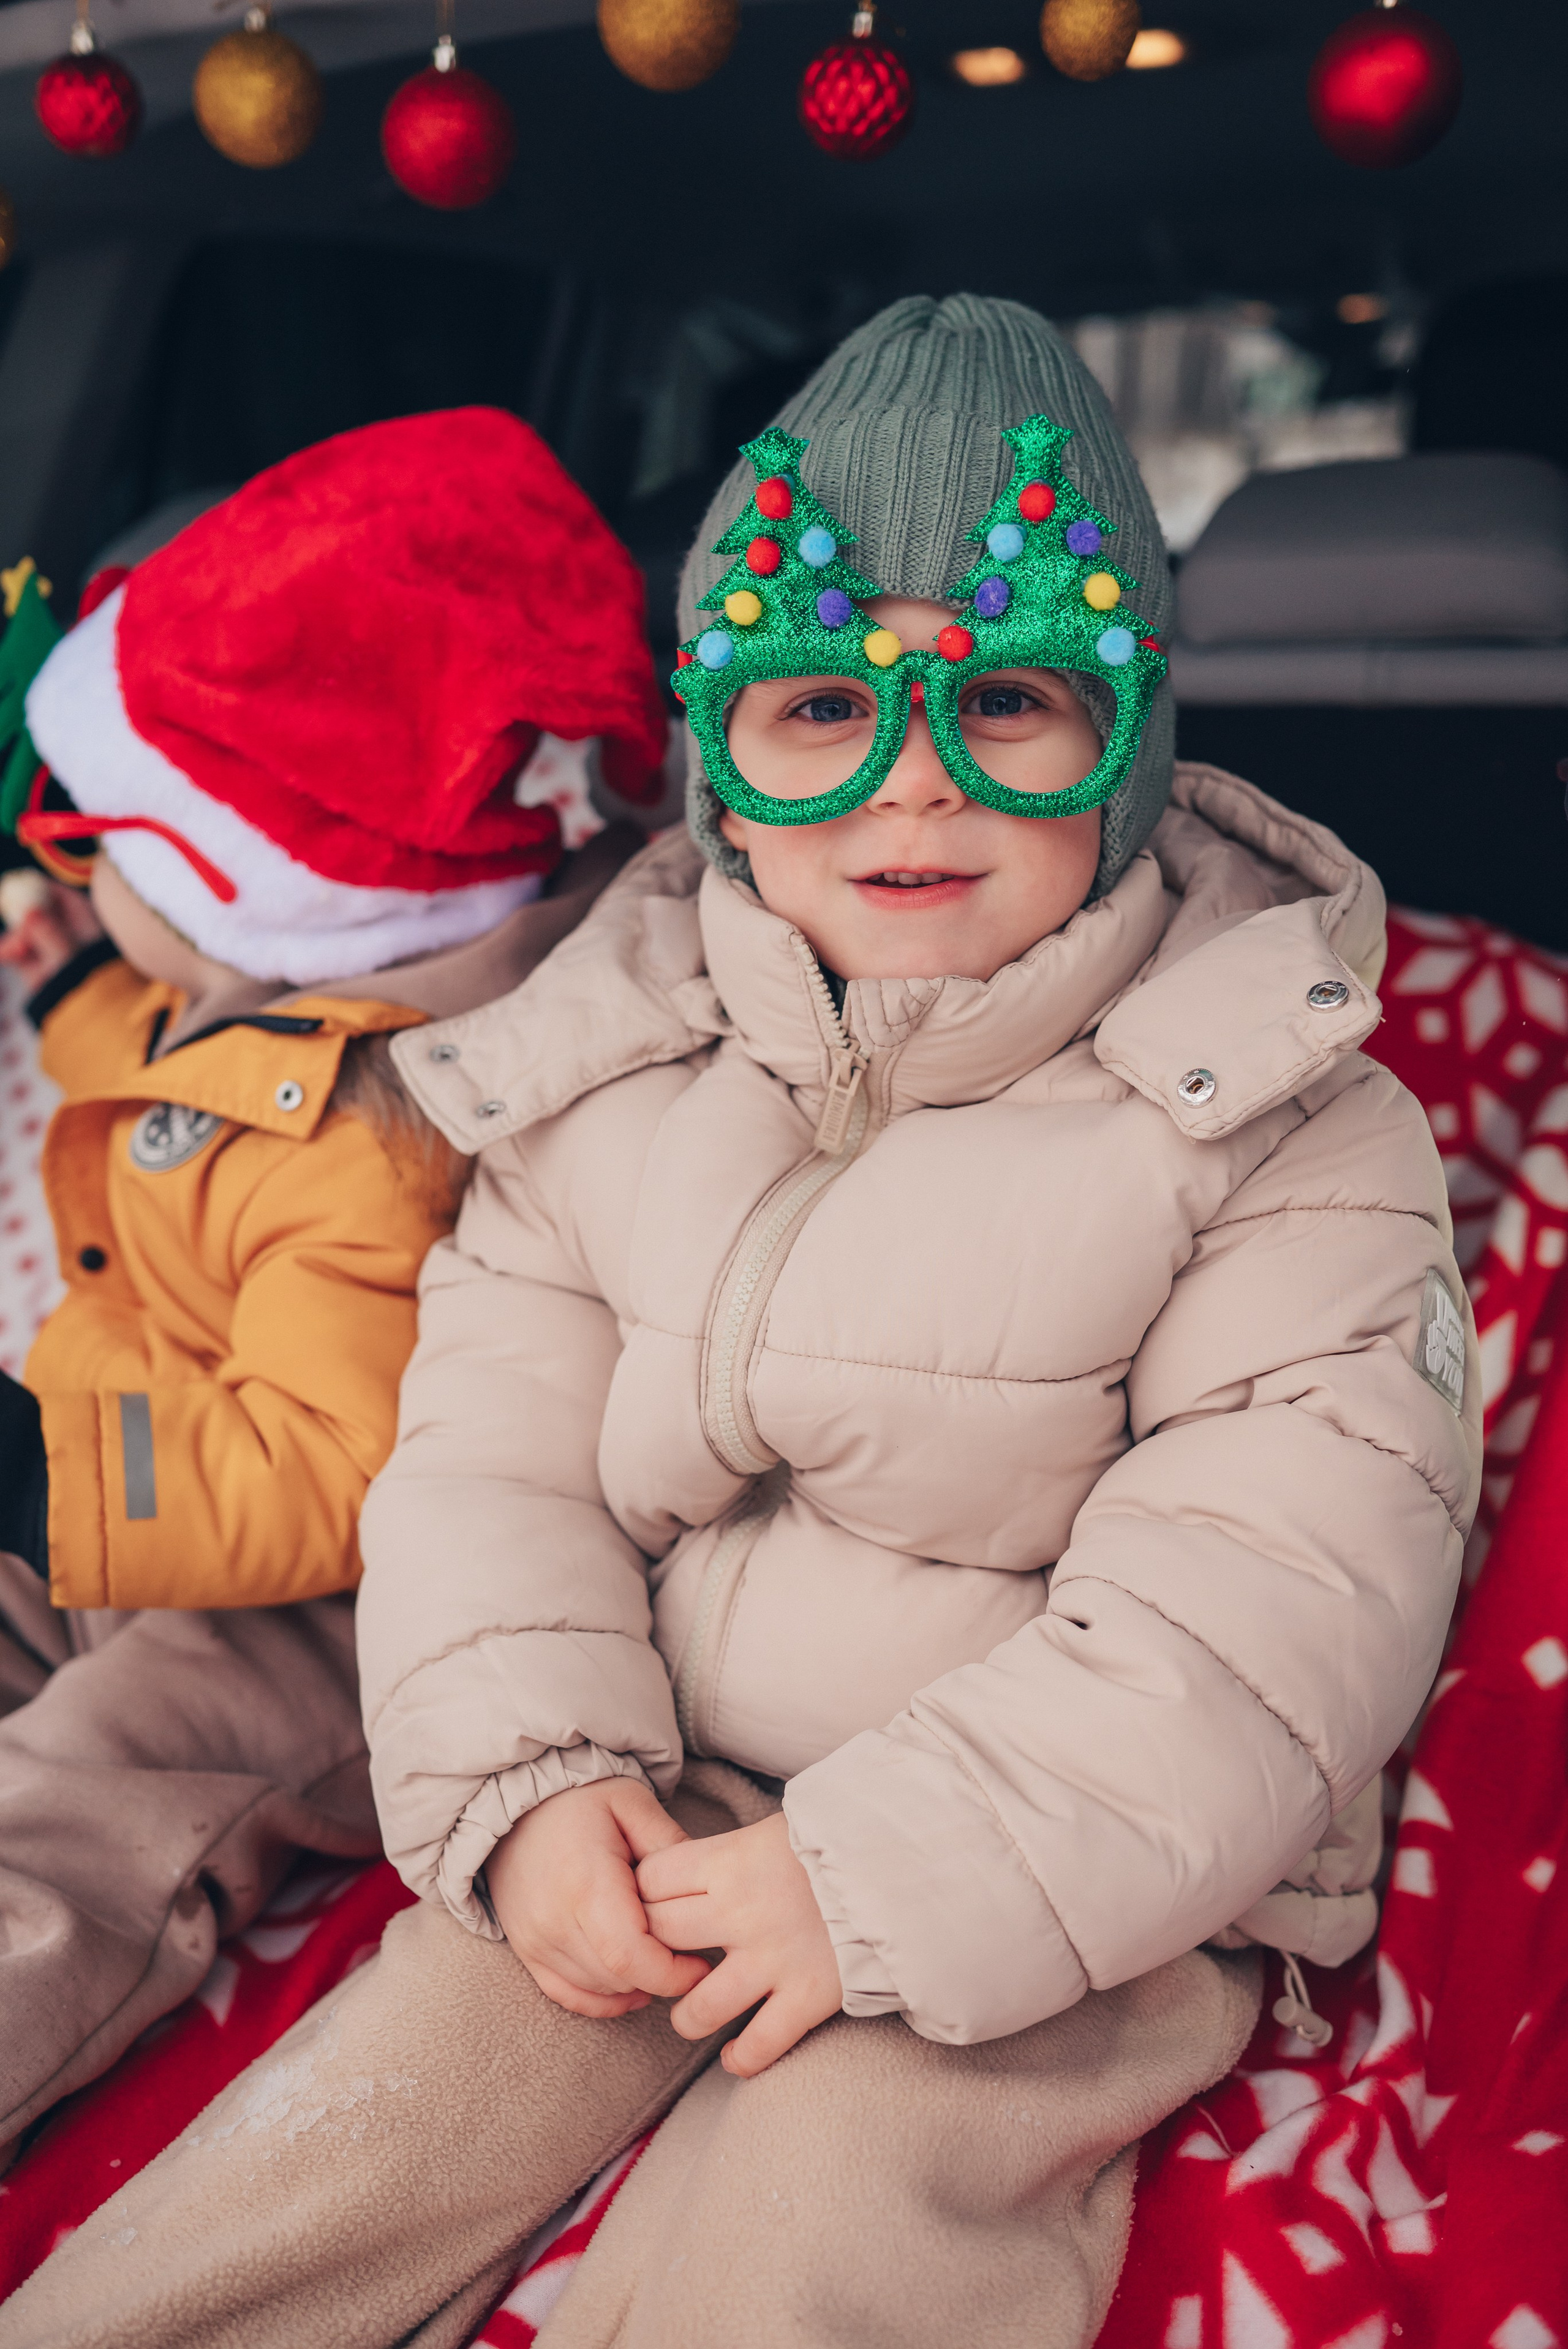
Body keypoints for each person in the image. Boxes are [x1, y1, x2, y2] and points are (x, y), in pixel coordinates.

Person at [0, 296, 1480, 2349]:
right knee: (339, 2144)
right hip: (653, 1762)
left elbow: (1270, 1604)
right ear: (719, 755)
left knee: (830, 2221)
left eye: (1014, 704)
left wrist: (882, 1874)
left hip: (1060, 1857)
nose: (909, 794)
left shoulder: (1288, 1119)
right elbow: (489, 1457)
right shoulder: (600, 1061)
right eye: (816, 713)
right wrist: (529, 1782)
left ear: (1129, 747)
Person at [0, 405, 669, 2166]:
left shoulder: (375, 1139)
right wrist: (84, 985)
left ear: (259, 889)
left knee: (95, 1784)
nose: (67, 854)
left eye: (103, 838)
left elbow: (329, 1467)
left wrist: (62, 1469)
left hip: (344, 1618)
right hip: (164, 1500)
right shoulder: (276, 998)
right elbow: (187, 1067)